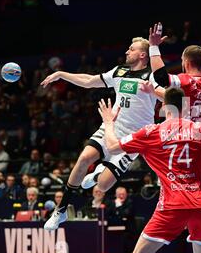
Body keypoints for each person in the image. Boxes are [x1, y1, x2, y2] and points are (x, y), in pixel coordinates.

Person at [98, 88, 201, 253]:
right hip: (199, 205)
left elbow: (112, 146)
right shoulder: (199, 129)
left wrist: (109, 122)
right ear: (184, 106)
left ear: (164, 106)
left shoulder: (151, 132)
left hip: (171, 206)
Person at [41, 37, 159, 231]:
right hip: (112, 125)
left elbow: (169, 92)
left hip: (134, 138)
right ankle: (60, 211)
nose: (127, 52)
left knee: (103, 186)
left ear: (142, 54)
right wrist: (62, 74)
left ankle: (97, 175)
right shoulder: (120, 71)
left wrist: (156, 50)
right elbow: (89, 81)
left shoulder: (152, 76)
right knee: (83, 158)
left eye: (132, 49)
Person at [145, 23, 201, 253]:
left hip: (182, 142)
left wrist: (153, 47)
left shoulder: (185, 81)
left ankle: (168, 230)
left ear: (185, 62)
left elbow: (161, 77)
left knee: (175, 191)